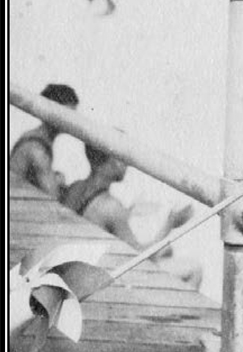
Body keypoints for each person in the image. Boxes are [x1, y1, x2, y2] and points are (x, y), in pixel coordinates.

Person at [63, 143, 193, 254]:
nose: (127, 163)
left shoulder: (76, 187)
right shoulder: (111, 207)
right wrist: (171, 223)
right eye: (121, 158)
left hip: (75, 264)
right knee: (194, 269)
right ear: (108, 161)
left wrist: (129, 212)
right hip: (97, 274)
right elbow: (139, 256)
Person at [10, 83, 79, 199]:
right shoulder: (37, 149)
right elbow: (53, 196)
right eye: (69, 115)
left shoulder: (37, 140)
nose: (74, 122)